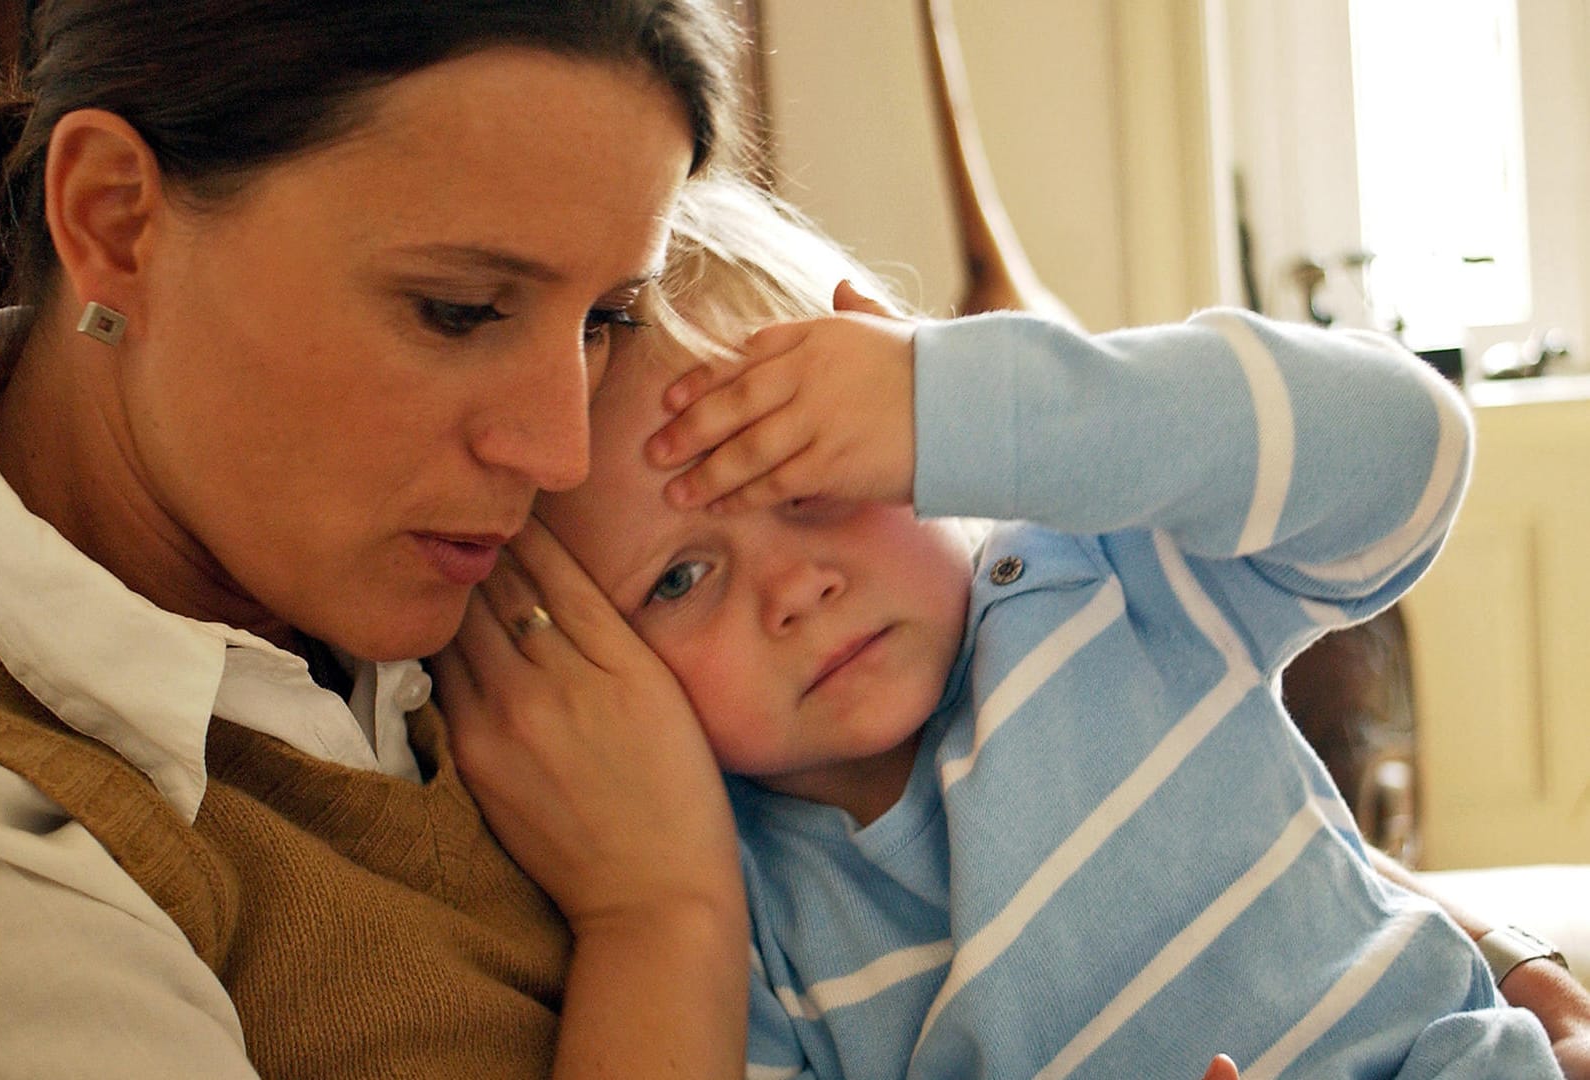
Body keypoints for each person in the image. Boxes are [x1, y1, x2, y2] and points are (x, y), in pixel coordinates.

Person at [516, 173, 1565, 1077]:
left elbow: (1410, 452)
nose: (794, 587)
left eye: (812, 477)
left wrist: (969, 406)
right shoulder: (739, 914)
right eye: (679, 579)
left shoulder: (1097, 578)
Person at [0, 3, 757, 1077]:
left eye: (604, 320)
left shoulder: (542, 566)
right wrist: (672, 918)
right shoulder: (17, 855)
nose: (556, 452)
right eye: (460, 311)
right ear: (112, 218)